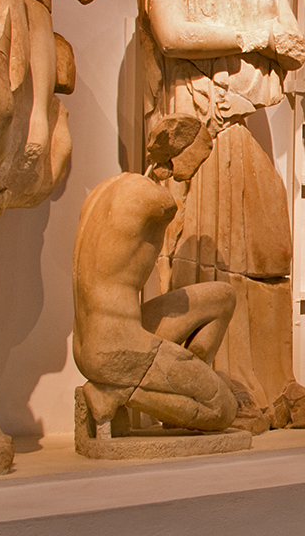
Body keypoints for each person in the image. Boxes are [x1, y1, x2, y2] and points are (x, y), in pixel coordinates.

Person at [135, 0, 305, 411]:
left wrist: (271, 42)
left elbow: (294, 45)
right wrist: (256, 36)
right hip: (196, 124)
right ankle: (201, 383)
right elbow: (171, 33)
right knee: (197, 245)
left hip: (243, 123)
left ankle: (267, 378)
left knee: (264, 245)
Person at [73, 172, 240, 435]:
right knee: (224, 410)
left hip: (90, 342)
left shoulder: (99, 192)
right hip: (119, 347)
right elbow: (168, 204)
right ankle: (117, 394)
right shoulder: (148, 196)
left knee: (223, 297)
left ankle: (188, 382)